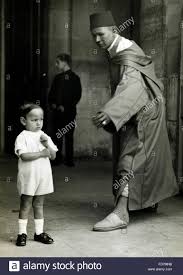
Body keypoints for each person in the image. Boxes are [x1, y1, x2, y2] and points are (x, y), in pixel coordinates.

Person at [90, 11, 179, 231]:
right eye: (94, 36)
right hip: (145, 110)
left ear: (114, 30)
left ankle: (121, 213)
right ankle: (147, 202)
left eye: (100, 34)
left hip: (143, 114)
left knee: (129, 159)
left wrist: (111, 112)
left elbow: (133, 87)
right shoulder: (121, 50)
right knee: (148, 160)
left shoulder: (127, 56)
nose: (97, 40)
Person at [14, 103, 58, 246]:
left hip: (43, 176)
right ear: (23, 121)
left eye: (41, 119)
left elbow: (53, 156)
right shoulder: (22, 137)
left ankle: (39, 233)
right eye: (34, 120)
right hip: (28, 177)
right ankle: (22, 233)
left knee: (39, 204)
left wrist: (46, 145)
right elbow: (24, 156)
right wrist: (41, 153)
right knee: (26, 204)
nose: (38, 123)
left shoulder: (44, 136)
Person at [48, 53, 82, 167]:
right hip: (57, 112)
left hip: (69, 113)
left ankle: (69, 160)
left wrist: (65, 107)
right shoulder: (57, 78)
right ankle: (56, 159)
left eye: (58, 62)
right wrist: (53, 104)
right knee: (57, 136)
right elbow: (51, 94)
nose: (56, 65)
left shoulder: (75, 78)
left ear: (65, 62)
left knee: (68, 137)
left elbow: (77, 95)